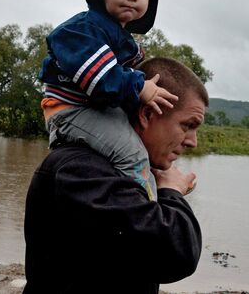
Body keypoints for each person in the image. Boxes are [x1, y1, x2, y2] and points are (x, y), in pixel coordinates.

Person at [24, 57, 208, 293]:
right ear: (148, 114)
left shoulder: (116, 171)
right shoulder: (81, 170)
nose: (193, 142)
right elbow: (176, 253)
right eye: (187, 125)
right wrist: (171, 192)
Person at [39, 0, 177, 201]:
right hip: (71, 110)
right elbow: (100, 79)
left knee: (138, 143)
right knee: (133, 155)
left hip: (93, 108)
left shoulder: (122, 38)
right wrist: (139, 87)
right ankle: (146, 212)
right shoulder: (83, 30)